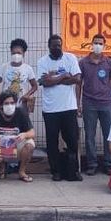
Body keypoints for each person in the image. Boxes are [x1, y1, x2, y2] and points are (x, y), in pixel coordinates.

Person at [37, 34, 83, 182]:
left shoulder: (70, 58)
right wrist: (63, 76)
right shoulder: (42, 61)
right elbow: (44, 82)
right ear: (49, 46)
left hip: (69, 107)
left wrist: (54, 79)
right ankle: (55, 171)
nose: (57, 48)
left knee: (72, 140)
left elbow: (76, 79)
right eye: (54, 45)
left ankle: (73, 171)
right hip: (50, 109)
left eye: (59, 45)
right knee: (52, 142)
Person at [78, 33, 111, 176]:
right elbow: (78, 84)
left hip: (106, 103)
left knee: (109, 134)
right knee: (90, 135)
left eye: (100, 43)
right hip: (89, 103)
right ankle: (92, 164)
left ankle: (108, 164)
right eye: (95, 42)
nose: (97, 45)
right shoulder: (83, 62)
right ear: (91, 44)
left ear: (104, 45)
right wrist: (78, 103)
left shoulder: (109, 63)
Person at [0, 91, 36, 182]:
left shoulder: (21, 113)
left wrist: (25, 135)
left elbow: (32, 132)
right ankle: (2, 169)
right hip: (2, 147)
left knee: (30, 144)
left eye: (12, 103)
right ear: (1, 105)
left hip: (17, 147)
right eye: (6, 103)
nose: (10, 105)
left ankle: (22, 172)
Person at [0, 38, 38, 113]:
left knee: (22, 124)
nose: (16, 55)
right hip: (6, 105)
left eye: (19, 53)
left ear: (23, 54)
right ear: (11, 53)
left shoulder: (28, 68)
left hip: (21, 104)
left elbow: (35, 86)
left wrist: (27, 95)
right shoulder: (4, 67)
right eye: (14, 53)